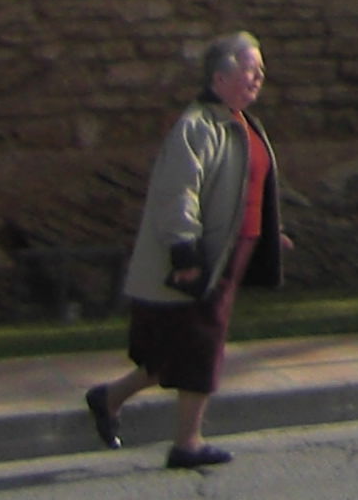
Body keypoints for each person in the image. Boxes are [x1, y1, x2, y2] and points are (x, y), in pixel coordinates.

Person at [87, 32, 286, 468]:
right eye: (250, 69)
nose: (258, 78)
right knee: (201, 345)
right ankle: (187, 444)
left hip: (234, 253)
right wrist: (185, 254)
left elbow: (246, 192)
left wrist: (271, 233)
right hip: (201, 259)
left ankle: (109, 398)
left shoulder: (243, 124)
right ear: (220, 75)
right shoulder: (197, 126)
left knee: (176, 348)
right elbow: (179, 194)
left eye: (261, 71)